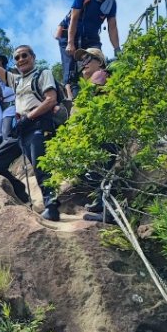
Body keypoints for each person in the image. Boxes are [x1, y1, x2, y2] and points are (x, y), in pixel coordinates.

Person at [0, 21, 61, 221]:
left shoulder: (43, 73)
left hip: (37, 123)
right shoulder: (15, 80)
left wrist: (29, 117)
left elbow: (51, 100)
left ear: (33, 57)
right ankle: (20, 190)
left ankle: (51, 206)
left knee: (41, 166)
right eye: (17, 57)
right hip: (20, 129)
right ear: (15, 63)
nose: (21, 59)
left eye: (25, 55)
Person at [74, 47, 115, 222]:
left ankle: (108, 211)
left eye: (88, 59)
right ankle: (100, 202)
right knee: (97, 169)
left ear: (99, 61)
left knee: (103, 168)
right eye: (81, 61)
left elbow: (90, 105)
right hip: (100, 132)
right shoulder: (94, 79)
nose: (83, 64)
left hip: (105, 131)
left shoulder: (100, 75)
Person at [64, 0, 121, 65]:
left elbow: (112, 28)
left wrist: (117, 49)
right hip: (70, 33)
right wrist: (70, 43)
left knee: (97, 61)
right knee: (71, 69)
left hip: (92, 37)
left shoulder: (111, 3)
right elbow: (74, 19)